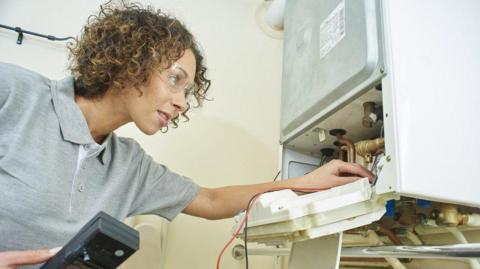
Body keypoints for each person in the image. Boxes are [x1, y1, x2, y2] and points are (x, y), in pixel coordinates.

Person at [0, 2, 373, 268]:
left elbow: (210, 201)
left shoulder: (128, 166)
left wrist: (305, 182)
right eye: (175, 79)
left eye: (188, 91)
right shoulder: (15, 94)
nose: (182, 103)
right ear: (129, 59)